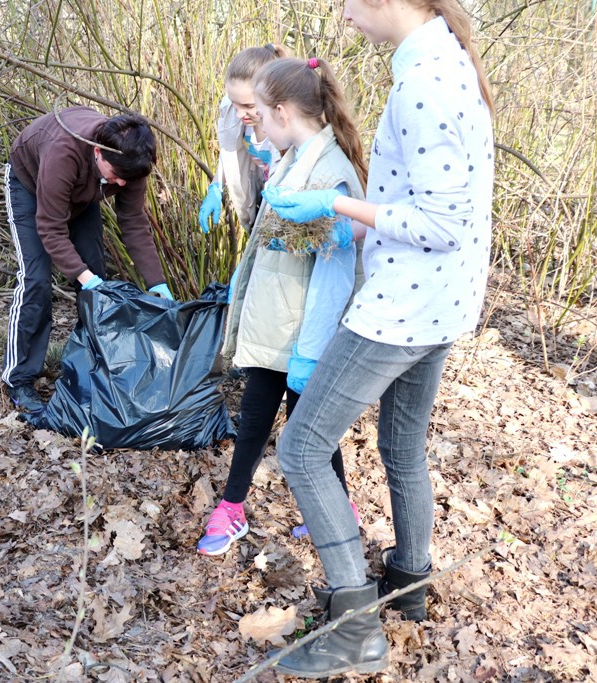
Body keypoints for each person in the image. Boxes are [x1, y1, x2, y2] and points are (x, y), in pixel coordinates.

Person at [260, 0, 495, 676]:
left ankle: (356, 624)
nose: (342, 14)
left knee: (303, 447)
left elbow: (441, 222)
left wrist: (335, 203)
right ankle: (408, 583)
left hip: (406, 304)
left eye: (349, 2)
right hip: (442, 301)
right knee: (401, 445)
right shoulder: (445, 60)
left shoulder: (425, 83)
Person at [198, 57, 368, 556]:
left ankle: (338, 517)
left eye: (259, 114)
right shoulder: (298, 155)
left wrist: (311, 349)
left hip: (299, 333)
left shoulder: (329, 171)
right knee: (258, 418)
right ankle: (233, 508)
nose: (254, 126)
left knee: (308, 433)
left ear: (283, 111)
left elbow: (335, 274)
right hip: (279, 322)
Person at [2, 106, 174, 413]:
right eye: (117, 177)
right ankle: (19, 378)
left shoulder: (130, 160)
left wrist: (157, 282)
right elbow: (51, 229)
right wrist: (84, 278)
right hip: (29, 185)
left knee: (96, 274)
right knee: (36, 280)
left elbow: (133, 222)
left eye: (128, 180)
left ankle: (86, 366)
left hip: (84, 194)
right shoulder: (63, 152)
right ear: (98, 152)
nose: (121, 185)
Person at [198, 44, 287, 235]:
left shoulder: (285, 130)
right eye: (234, 102)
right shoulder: (236, 113)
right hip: (259, 196)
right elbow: (229, 152)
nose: (239, 113)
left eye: (248, 105)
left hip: (281, 202)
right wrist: (216, 185)